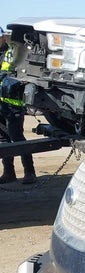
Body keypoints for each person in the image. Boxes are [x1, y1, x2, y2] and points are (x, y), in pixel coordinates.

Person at [0, 26, 36, 184]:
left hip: (12, 103)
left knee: (17, 138)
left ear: (3, 38)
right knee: (3, 139)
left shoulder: (13, 52)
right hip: (1, 104)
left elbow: (16, 73)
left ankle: (30, 172)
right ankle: (9, 173)